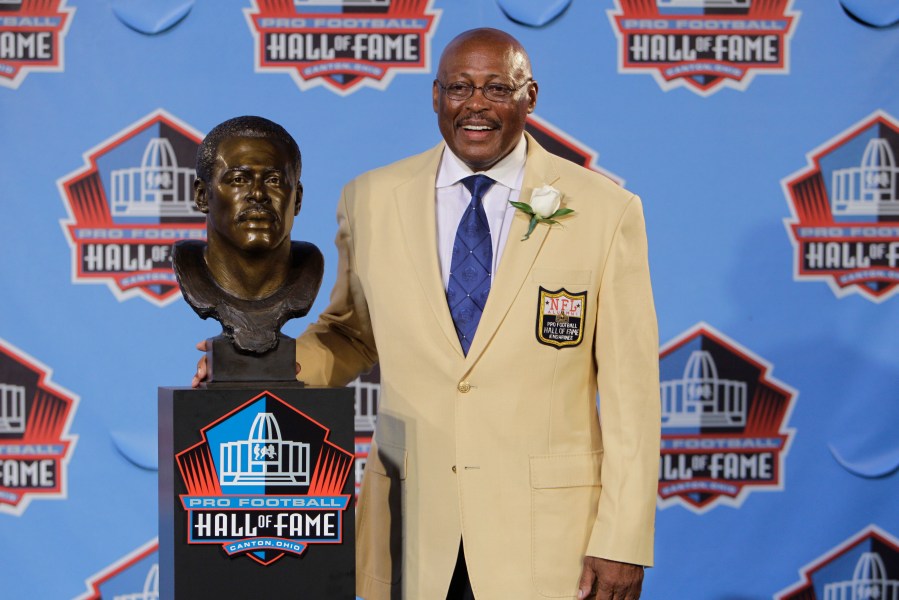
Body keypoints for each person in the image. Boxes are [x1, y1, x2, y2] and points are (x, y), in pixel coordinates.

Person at [194, 28, 660, 600]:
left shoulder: (603, 210)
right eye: (459, 87)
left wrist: (623, 538)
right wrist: (261, 365)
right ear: (436, 96)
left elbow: (632, 392)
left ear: (530, 97)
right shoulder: (370, 197)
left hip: (549, 542)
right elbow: (349, 335)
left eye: (497, 88)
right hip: (411, 531)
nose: (476, 105)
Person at [178, 116, 323, 356]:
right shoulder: (191, 268)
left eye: (274, 180)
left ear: (296, 198)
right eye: (238, 180)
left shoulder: (307, 271)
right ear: (202, 196)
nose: (258, 194)